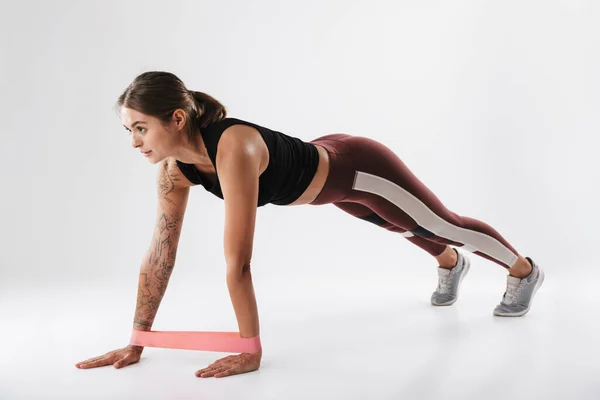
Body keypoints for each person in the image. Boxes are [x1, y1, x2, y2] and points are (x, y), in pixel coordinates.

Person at [75, 71, 544, 378]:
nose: (134, 141)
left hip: (356, 166)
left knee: (441, 223)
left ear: (176, 119)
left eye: (140, 128)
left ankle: (522, 269)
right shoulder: (174, 172)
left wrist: (250, 349)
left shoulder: (233, 147)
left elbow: (237, 263)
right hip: (329, 189)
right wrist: (137, 339)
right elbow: (160, 255)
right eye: (128, 130)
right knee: (394, 224)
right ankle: (449, 263)